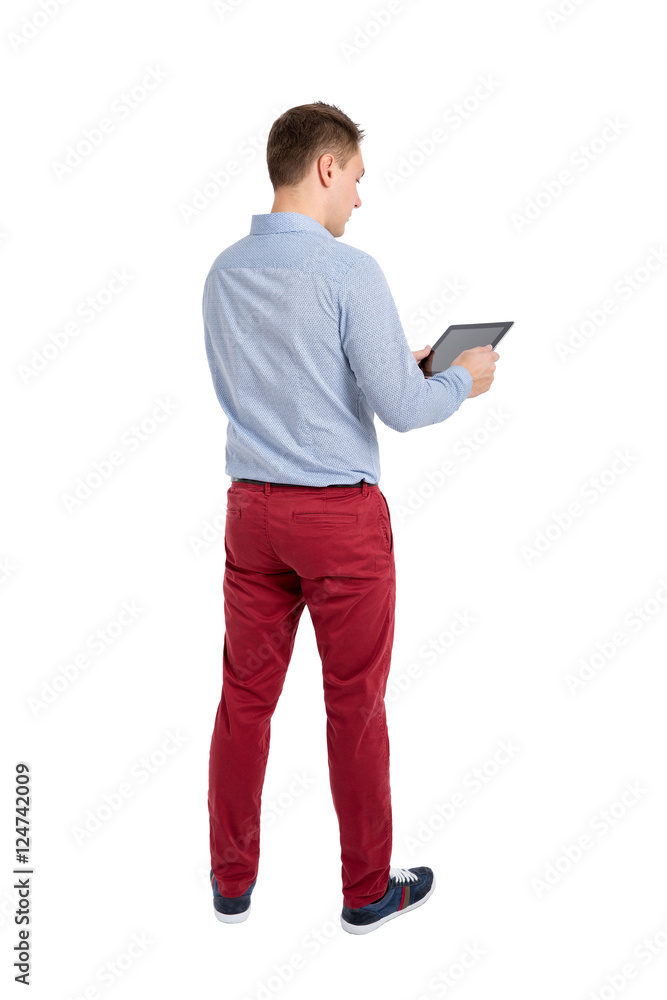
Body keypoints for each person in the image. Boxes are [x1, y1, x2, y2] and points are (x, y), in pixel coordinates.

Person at [202, 101, 499, 935]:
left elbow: (280, 378)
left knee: (242, 701)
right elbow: (404, 410)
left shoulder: (222, 272)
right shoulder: (347, 271)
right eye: (357, 179)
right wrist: (461, 378)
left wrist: (390, 366)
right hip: (336, 521)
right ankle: (366, 892)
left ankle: (230, 885)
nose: (359, 199)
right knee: (354, 706)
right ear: (325, 167)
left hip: (250, 513)